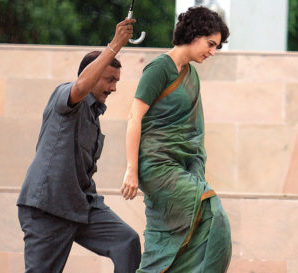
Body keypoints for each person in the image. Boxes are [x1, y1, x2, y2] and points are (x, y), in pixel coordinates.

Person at [17, 18, 141, 273]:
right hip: (47, 209)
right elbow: (81, 86)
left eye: (116, 80)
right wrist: (116, 44)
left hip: (82, 207)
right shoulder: (66, 97)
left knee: (127, 242)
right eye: (108, 79)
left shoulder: (95, 117)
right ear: (91, 74)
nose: (114, 87)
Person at [121, 6, 232, 273]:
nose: (212, 52)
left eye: (216, 46)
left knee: (190, 234)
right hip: (156, 166)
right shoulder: (159, 68)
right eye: (210, 44)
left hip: (180, 168)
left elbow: (194, 133)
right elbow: (134, 117)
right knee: (215, 215)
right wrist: (131, 171)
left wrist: (195, 170)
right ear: (194, 34)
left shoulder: (191, 75)